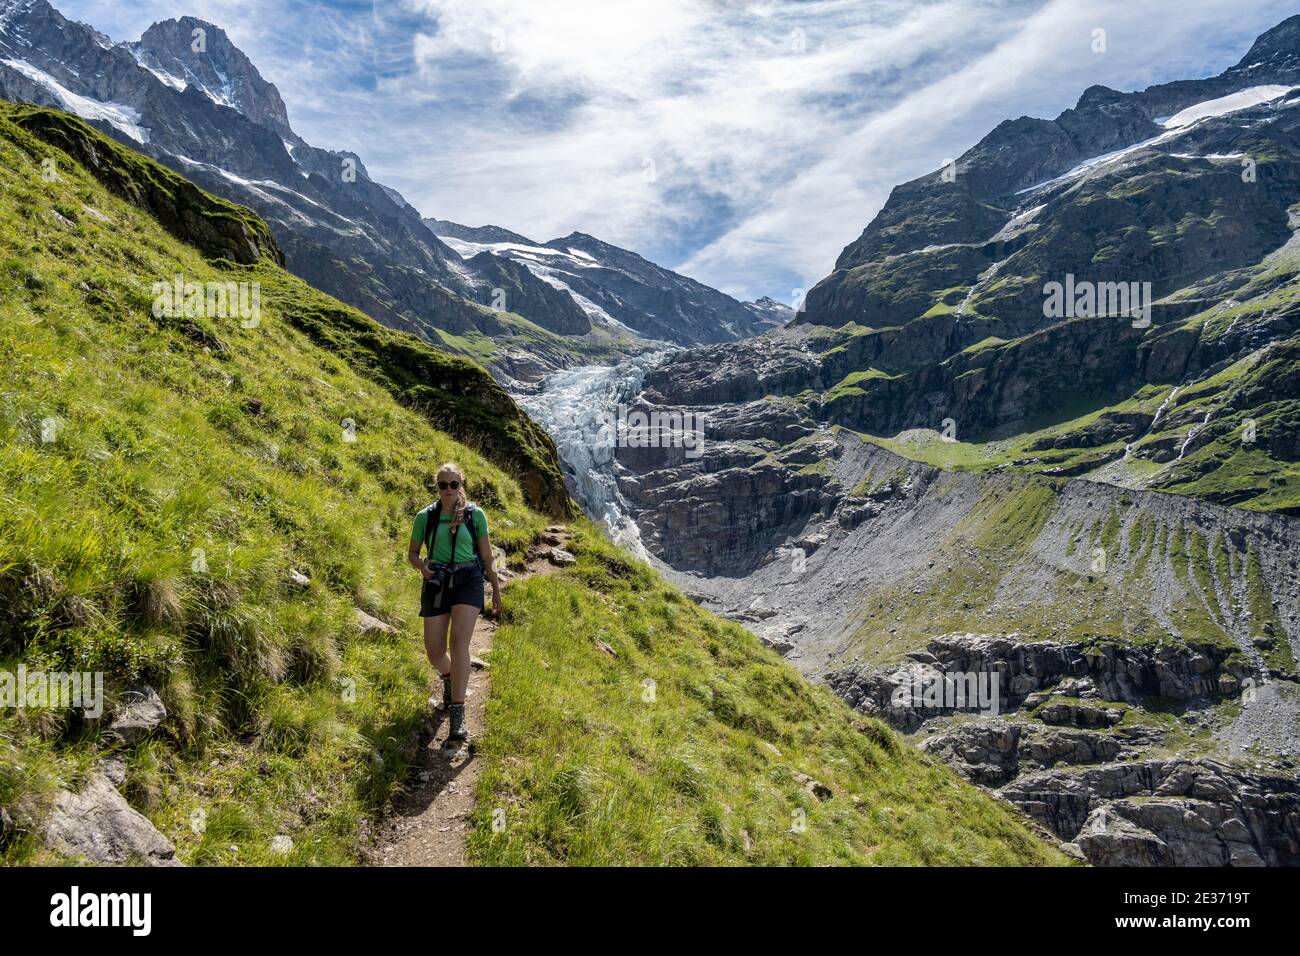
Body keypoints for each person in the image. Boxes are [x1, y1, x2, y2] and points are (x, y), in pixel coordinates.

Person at [407, 462, 502, 743]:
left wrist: (495, 588)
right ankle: (450, 676)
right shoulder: (425, 517)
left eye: (453, 484)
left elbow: (486, 556)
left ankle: (458, 715)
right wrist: (422, 567)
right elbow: (412, 553)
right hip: (436, 581)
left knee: (459, 643)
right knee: (434, 652)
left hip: (468, 580)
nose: (448, 490)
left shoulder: (476, 515)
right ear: (437, 487)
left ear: (462, 485)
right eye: (442, 485)